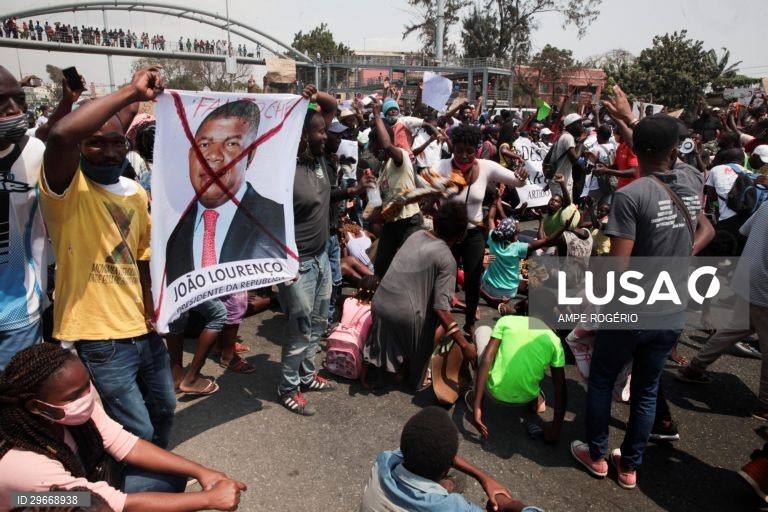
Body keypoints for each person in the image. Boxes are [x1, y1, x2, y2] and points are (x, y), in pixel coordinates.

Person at [570, 90, 714, 490]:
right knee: (646, 391)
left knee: (601, 379)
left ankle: (597, 455)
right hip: (670, 308)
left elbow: (617, 271)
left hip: (630, 309)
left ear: (638, 151)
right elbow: (661, 156)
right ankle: (630, 467)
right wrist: (630, 120)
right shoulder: (691, 179)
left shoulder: (631, 196)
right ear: (672, 151)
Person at [40, 66, 177, 452]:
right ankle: (123, 492)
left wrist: (157, 316)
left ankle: (155, 481)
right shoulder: (65, 190)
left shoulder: (134, 193)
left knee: (165, 410)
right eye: (97, 144)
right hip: (100, 337)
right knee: (135, 430)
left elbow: (143, 259)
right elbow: (62, 134)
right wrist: (131, 94)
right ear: (82, 147)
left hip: (143, 329)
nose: (110, 152)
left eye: (118, 144)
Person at [0, 344, 247, 512]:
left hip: (78, 490)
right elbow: (92, 502)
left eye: (87, 385)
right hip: (25, 500)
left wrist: (202, 472)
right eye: (75, 394)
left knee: (172, 476)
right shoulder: (23, 466)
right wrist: (208, 499)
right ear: (36, 406)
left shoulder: (68, 408)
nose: (87, 397)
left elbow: (126, 444)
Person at [165, 100, 286, 286]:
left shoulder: (276, 220)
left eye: (231, 144)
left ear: (250, 155)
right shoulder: (171, 225)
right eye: (204, 145)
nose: (213, 156)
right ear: (190, 154)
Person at [363, 202, 477, 391]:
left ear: (437, 223)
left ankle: (396, 362)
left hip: (379, 305)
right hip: (402, 318)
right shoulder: (447, 259)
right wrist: (464, 345)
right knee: (443, 322)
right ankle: (410, 368)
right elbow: (441, 310)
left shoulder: (415, 235)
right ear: (461, 235)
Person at [276, 86, 338, 416]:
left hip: (322, 257)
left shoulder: (319, 161)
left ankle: (305, 374)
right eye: (320, 131)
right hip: (296, 265)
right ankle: (287, 387)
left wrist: (311, 96)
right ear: (302, 137)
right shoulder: (283, 169)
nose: (325, 135)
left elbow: (330, 106)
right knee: (299, 329)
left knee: (317, 323)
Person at [434, 124, 527, 339]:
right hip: (447, 234)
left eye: (470, 151)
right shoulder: (441, 166)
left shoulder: (485, 167)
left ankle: (468, 324)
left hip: (474, 233)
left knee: (473, 279)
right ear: (452, 148)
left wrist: (521, 176)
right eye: (459, 150)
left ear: (477, 150)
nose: (464, 156)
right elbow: (422, 190)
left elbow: (517, 182)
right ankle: (442, 320)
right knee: (444, 279)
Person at [677, 202, 768, 419]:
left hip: (749, 277)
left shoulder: (766, 204)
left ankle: (694, 368)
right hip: (765, 287)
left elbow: (744, 230)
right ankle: (765, 404)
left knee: (735, 328)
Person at [360, 407, 541, 512]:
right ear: (446, 468)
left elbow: (419, 444)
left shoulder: (384, 462)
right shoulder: (454, 507)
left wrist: (482, 477)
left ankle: (444, 485)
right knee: (458, 483)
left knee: (451, 483)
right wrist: (508, 504)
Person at [468, 292, 567, 443]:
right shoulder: (554, 340)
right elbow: (560, 389)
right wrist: (555, 431)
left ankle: (476, 397)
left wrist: (477, 407)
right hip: (525, 398)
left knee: (483, 331)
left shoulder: (507, 321)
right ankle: (536, 400)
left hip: (493, 394)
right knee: (534, 362)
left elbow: (487, 360)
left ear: (526, 306)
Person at [0, 66, 48, 370]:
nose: (14, 110)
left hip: (20, 310)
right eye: (1, 102)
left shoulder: (35, 153)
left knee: (17, 402)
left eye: (19, 99)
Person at [368, 97, 424, 278]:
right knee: (381, 266)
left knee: (412, 268)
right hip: (392, 224)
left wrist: (377, 116)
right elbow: (376, 209)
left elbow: (386, 145)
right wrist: (368, 188)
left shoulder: (400, 158)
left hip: (410, 222)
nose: (372, 150)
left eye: (374, 145)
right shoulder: (382, 170)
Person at [549, 113, 587, 198]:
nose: (581, 126)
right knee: (564, 208)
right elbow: (574, 159)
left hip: (561, 179)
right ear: (570, 126)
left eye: (581, 123)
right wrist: (581, 142)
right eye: (578, 123)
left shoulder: (564, 135)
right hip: (561, 181)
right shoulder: (568, 137)